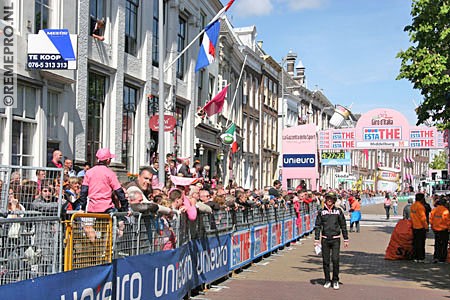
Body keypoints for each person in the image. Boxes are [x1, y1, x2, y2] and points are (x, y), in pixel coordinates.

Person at [314, 192, 349, 290]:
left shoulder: (338, 211)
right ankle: (327, 280)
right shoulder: (321, 212)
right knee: (325, 261)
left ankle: (335, 280)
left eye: (332, 199)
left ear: (334, 200)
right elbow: (317, 226)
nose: (329, 200)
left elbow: (343, 225)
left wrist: (346, 238)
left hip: (336, 239)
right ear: (325, 199)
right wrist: (316, 239)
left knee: (335, 260)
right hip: (325, 239)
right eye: (328, 198)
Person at [429, 198, 449, 263]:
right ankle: (442, 259)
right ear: (444, 203)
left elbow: (431, 220)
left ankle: (436, 257)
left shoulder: (434, 210)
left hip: (436, 230)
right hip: (444, 230)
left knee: (437, 244)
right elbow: (448, 221)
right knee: (444, 245)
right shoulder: (446, 211)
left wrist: (432, 227)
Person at [410, 192, 428, 262]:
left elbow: (411, 216)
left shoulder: (413, 206)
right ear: (422, 199)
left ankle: (415, 257)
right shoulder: (421, 207)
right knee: (421, 243)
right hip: (420, 227)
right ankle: (421, 258)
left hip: (414, 226)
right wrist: (426, 227)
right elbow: (423, 218)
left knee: (415, 242)